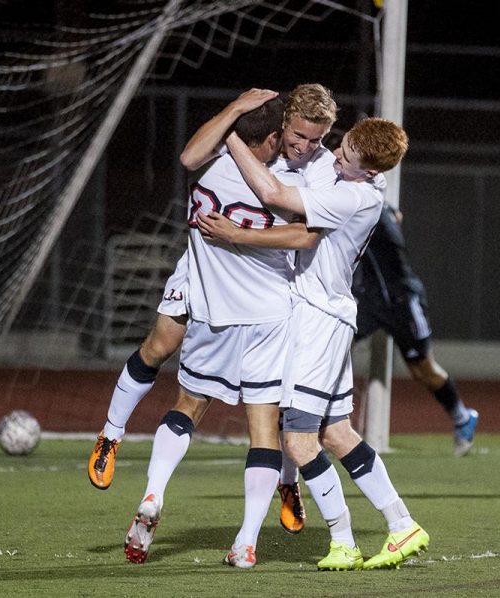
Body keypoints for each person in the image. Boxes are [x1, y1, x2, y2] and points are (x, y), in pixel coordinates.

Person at [89, 83, 339, 535]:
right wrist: (236, 110)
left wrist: (239, 233)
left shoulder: (319, 168)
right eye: (298, 136)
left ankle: (286, 478)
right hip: (204, 277)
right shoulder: (238, 147)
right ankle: (111, 433)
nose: (304, 147)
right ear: (281, 128)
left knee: (279, 405)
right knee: (158, 346)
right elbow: (189, 158)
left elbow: (309, 234)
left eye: (315, 140)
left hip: (276, 289)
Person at [211, 115, 429, 570]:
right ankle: (401, 523)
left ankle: (343, 540)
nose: (337, 154)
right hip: (327, 317)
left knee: (300, 441)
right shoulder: (359, 171)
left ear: (369, 171)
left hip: (319, 322)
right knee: (338, 433)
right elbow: (328, 159)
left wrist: (231, 136)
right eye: (343, 142)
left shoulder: (350, 196)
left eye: (347, 155)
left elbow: (274, 198)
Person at [352, 204, 478, 456]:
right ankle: (319, 425)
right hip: (369, 303)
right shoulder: (366, 206)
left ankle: (463, 417)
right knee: (330, 352)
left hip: (402, 302)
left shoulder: (370, 209)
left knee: (423, 370)